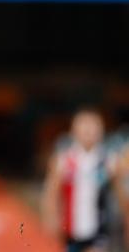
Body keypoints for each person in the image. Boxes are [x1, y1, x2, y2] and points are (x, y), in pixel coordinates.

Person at [42, 107, 116, 252]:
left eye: (93, 126)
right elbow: (51, 193)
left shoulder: (108, 160)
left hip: (98, 229)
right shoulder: (64, 160)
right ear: (73, 131)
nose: (88, 131)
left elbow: (120, 194)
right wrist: (50, 218)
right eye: (84, 126)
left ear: (101, 131)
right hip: (71, 229)